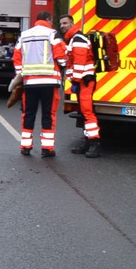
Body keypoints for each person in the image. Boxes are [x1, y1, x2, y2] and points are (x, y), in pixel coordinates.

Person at [13, 10, 68, 157]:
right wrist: (63, 65)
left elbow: (17, 58)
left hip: (29, 82)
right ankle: (47, 148)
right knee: (48, 115)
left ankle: (25, 146)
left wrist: (21, 75)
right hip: (49, 82)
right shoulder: (52, 34)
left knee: (28, 113)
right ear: (49, 19)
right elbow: (61, 56)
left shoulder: (24, 35)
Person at [59, 13, 101, 158]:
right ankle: (88, 142)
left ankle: (94, 143)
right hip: (82, 81)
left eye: (65, 23)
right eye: (61, 24)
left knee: (87, 112)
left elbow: (79, 62)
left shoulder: (77, 39)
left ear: (72, 23)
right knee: (83, 112)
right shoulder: (73, 39)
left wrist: (75, 81)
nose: (62, 26)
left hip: (84, 81)